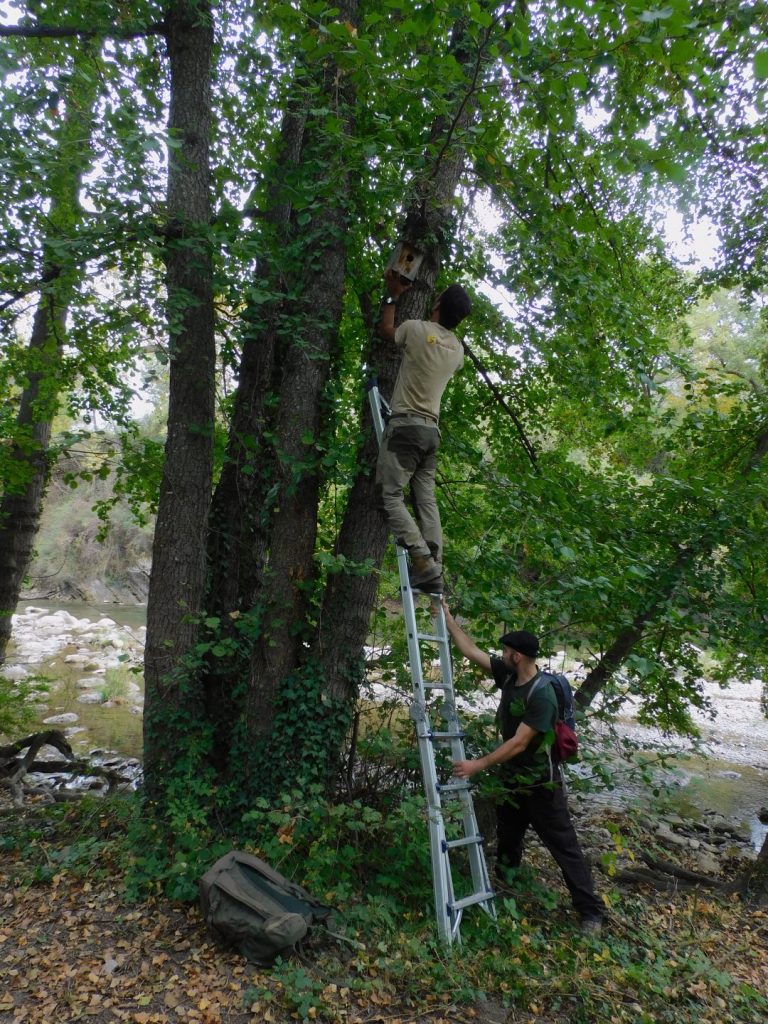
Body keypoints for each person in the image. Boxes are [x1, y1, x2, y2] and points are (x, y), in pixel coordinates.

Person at [440, 599, 604, 933]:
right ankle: (506, 887)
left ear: (517, 656)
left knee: (564, 846)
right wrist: (445, 617)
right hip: (511, 781)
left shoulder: (541, 694)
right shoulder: (509, 677)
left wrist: (477, 765)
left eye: (505, 652)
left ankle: (591, 912)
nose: (500, 656)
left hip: (541, 784)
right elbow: (470, 651)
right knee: (509, 839)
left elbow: (519, 742)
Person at [374, 269, 471, 593]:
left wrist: (392, 294)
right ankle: (436, 568)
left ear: (438, 303)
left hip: (406, 427)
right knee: (425, 499)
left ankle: (424, 561)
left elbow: (387, 330)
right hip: (431, 432)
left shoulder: (416, 330)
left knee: (389, 495)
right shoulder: (457, 350)